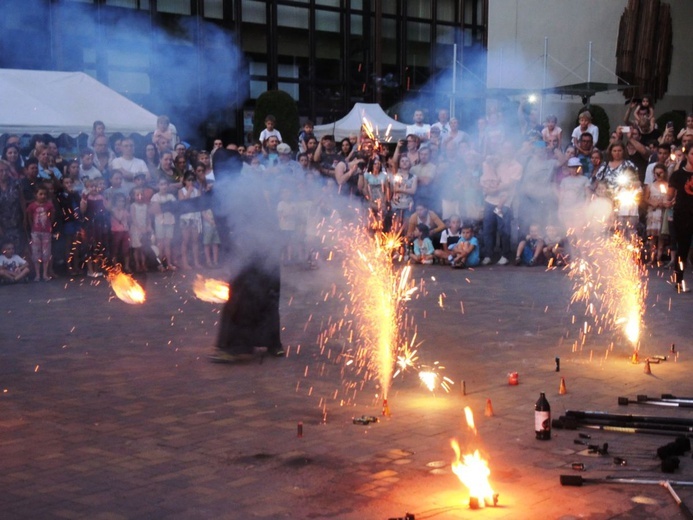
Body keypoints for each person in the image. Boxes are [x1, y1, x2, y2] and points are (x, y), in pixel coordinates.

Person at [480, 141, 523, 265]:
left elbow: (510, 184)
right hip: (490, 200)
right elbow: (489, 174)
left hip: (505, 202)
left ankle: (505, 254)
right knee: (488, 229)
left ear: (513, 150)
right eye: (504, 149)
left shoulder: (517, 166)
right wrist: (488, 187)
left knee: (504, 229)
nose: (506, 151)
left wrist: (493, 189)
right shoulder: (498, 163)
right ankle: (488, 254)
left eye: (509, 149)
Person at [666, 146, 693, 293]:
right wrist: (667, 201)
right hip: (683, 214)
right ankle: (679, 280)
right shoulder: (677, 175)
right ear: (687, 155)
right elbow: (669, 195)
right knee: (682, 248)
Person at [26, 185, 55, 281]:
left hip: (46, 232)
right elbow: (29, 217)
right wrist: (32, 228)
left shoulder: (49, 205)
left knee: (46, 253)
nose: (43, 196)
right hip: (35, 232)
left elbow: (52, 217)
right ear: (35, 195)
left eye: (45, 194)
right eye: (40, 194)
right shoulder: (32, 206)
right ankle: (37, 274)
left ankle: (45, 273)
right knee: (36, 252)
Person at [56, 176, 83, 275]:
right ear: (63, 184)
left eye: (70, 182)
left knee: (76, 244)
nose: (68, 185)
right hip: (68, 222)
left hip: (77, 221)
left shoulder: (75, 194)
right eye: (66, 183)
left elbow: (80, 204)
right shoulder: (62, 195)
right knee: (68, 245)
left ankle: (76, 266)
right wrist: (69, 194)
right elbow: (64, 206)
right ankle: (69, 267)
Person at [0, 159, 27, 256]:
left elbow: (22, 201)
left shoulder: (16, 183)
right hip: (2, 223)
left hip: (16, 221)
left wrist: (25, 217)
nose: (4, 173)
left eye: (6, 170)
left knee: (18, 247)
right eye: (1, 171)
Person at [644, 163, 669, 265]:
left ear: (664, 173)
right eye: (656, 173)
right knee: (653, 237)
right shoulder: (650, 186)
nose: (658, 175)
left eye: (661, 173)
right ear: (653, 174)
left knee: (661, 237)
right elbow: (645, 198)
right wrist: (653, 202)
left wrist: (665, 202)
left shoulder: (667, 186)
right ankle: (652, 258)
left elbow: (669, 197)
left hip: (662, 213)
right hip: (653, 213)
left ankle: (659, 258)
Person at [150, 179, 177, 270]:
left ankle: (169, 263)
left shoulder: (171, 196)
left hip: (170, 221)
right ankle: (160, 264)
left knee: (168, 244)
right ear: (158, 186)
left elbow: (173, 208)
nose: (164, 186)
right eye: (161, 184)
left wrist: (164, 206)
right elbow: (155, 209)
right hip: (159, 222)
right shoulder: (155, 197)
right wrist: (165, 206)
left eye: (165, 184)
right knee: (160, 244)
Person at [558, 157, 590, 231]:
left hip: (579, 210)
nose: (574, 169)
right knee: (569, 231)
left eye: (576, 167)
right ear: (569, 168)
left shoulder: (584, 179)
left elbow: (588, 195)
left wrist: (585, 208)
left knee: (579, 232)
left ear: (579, 168)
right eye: (572, 167)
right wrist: (560, 209)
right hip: (567, 210)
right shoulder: (564, 180)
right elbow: (561, 195)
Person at [178, 173, 203, 269]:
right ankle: (185, 263)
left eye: (192, 180)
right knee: (186, 240)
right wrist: (189, 192)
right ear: (184, 181)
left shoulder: (197, 191)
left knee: (195, 241)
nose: (191, 182)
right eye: (188, 180)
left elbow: (199, 204)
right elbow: (183, 202)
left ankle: (196, 262)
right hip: (185, 218)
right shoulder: (181, 191)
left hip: (195, 218)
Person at [130, 187, 151, 273]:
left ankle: (143, 264)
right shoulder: (133, 206)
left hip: (144, 228)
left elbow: (148, 217)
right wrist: (139, 228)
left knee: (143, 248)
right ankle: (137, 264)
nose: (140, 196)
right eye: (137, 195)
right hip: (136, 229)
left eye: (141, 194)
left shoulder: (146, 206)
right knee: (137, 248)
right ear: (134, 196)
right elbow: (133, 218)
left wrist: (148, 226)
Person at [110, 193, 132, 273]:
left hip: (125, 231)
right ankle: (115, 266)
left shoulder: (125, 210)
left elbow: (129, 220)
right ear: (115, 202)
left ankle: (126, 266)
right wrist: (125, 209)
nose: (121, 203)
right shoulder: (113, 210)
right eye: (119, 201)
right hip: (116, 232)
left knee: (126, 250)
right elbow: (119, 218)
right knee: (115, 250)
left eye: (123, 201)